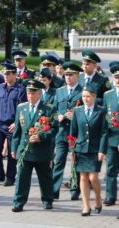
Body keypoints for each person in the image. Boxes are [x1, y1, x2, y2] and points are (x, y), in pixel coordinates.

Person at [11, 79, 57, 212]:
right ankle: (18, 202)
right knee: (21, 178)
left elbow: (54, 129)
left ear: (40, 94)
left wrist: (41, 137)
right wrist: (14, 147)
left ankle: (48, 199)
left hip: (41, 150)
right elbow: (18, 130)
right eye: (28, 93)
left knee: (45, 177)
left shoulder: (49, 108)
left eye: (33, 93)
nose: (30, 96)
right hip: (25, 149)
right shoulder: (21, 107)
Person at [69, 84, 107, 216]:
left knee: (93, 177)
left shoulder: (101, 111)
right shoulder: (78, 111)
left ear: (94, 97)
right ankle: (86, 206)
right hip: (80, 149)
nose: (85, 99)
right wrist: (72, 150)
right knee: (83, 177)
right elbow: (72, 133)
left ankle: (98, 197)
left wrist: (102, 150)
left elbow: (104, 133)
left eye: (88, 96)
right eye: (84, 96)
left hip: (95, 149)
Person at [0, 61, 26, 187]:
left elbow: (22, 109)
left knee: (11, 152)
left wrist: (17, 123)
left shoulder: (20, 90)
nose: (6, 75)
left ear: (14, 75)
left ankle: (10, 177)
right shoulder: (0, 88)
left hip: (12, 125)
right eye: (4, 73)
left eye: (8, 73)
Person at [52, 62, 83, 200]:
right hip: (61, 132)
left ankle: (75, 189)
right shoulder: (59, 91)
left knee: (75, 161)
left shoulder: (83, 92)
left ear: (77, 75)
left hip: (75, 133)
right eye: (66, 75)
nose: (68, 77)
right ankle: (54, 190)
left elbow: (87, 112)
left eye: (71, 75)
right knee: (58, 160)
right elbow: (52, 110)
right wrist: (57, 116)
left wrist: (76, 115)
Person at [102, 63, 119, 207]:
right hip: (112, 138)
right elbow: (106, 117)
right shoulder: (108, 95)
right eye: (116, 77)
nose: (118, 80)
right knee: (111, 169)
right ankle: (110, 196)